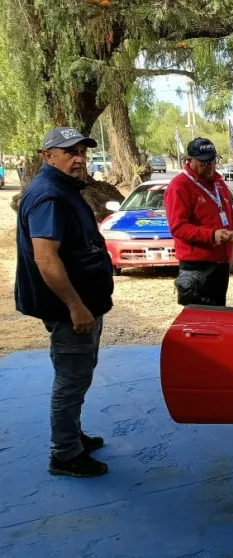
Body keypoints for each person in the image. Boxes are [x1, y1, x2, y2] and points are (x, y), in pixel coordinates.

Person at [15, 127, 114, 477]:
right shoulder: (50, 196)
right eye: (69, 152)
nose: (79, 159)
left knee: (79, 373)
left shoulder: (63, 189)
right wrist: (76, 306)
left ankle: (72, 435)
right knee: (71, 378)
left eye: (82, 152)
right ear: (48, 156)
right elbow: (46, 259)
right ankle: (65, 453)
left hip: (83, 303)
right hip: (70, 309)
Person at [164, 138, 233, 307]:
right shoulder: (180, 186)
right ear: (189, 161)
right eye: (204, 162)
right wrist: (212, 235)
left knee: (218, 312)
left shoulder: (219, 182)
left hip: (221, 262)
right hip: (197, 266)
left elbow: (227, 212)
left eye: (213, 160)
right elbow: (178, 227)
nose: (210, 166)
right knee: (200, 321)